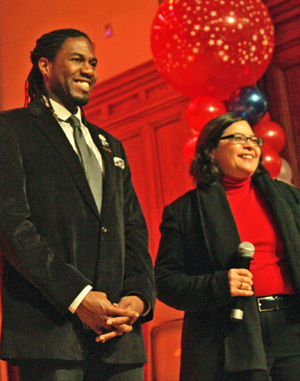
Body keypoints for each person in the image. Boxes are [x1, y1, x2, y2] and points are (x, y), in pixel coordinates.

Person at [0, 28, 156, 381]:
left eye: (93, 62)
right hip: (50, 334)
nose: (89, 70)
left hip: (119, 335)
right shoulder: (10, 130)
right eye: (77, 59)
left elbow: (133, 229)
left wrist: (138, 298)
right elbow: (13, 228)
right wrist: (79, 297)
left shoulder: (111, 146)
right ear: (45, 65)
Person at [155, 112, 300, 381]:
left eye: (253, 139)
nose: (250, 145)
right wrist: (219, 284)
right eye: (237, 138)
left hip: (292, 327)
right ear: (211, 151)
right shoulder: (185, 211)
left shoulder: (288, 197)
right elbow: (165, 282)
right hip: (229, 337)